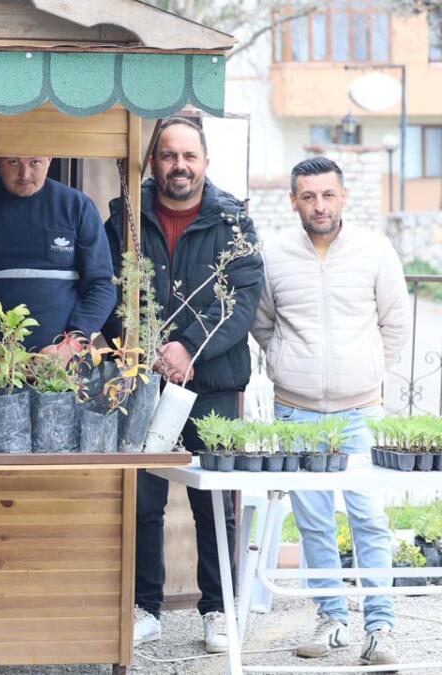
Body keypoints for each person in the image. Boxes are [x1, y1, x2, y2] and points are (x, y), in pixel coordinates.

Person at [104, 117, 263, 653]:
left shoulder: (233, 220)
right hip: (144, 382)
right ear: (153, 162)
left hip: (213, 382)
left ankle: (219, 610)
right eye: (169, 155)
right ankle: (145, 607)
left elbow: (241, 302)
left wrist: (188, 346)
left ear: (205, 163)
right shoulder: (126, 216)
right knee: (143, 498)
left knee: (214, 501)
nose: (179, 166)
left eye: (189, 156)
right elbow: (108, 288)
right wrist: (144, 350)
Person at [252, 156, 409, 667]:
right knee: (314, 522)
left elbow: (394, 324)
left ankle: (380, 627)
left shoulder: (375, 251)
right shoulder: (273, 256)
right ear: (293, 200)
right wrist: (288, 366)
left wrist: (364, 374)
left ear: (343, 197)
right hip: (295, 412)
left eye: (327, 195)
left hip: (362, 410)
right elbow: (263, 323)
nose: (319, 205)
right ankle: (332, 618)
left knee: (369, 517)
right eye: (308, 196)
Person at [0, 156, 116, 359]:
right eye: (13, 162)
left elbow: (102, 286)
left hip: (64, 369)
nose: (24, 174)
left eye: (34, 162)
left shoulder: (76, 206)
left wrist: (69, 347)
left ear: (49, 157)